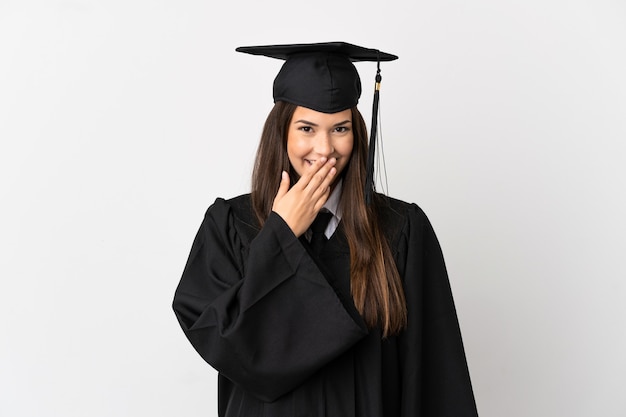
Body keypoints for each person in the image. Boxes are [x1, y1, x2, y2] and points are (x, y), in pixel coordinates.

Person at [172, 42, 479, 417]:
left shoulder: (401, 230)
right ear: (281, 131)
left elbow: (434, 376)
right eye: (307, 128)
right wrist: (280, 235)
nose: (325, 148)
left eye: (340, 128)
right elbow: (226, 344)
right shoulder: (231, 226)